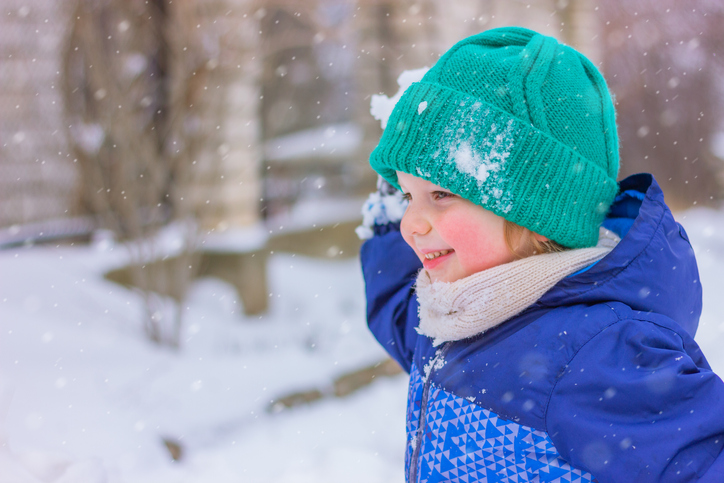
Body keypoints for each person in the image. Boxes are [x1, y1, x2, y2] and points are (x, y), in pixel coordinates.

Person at [359, 26, 724, 482]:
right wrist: (382, 219)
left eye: (440, 194)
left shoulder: (597, 356)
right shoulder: (461, 310)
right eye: (405, 195)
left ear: (536, 214)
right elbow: (398, 313)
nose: (410, 222)